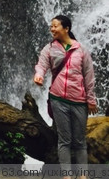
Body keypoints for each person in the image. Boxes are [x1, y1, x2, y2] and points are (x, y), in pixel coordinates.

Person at [34, 15, 97, 174]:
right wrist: (39, 75)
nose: (52, 29)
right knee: (64, 141)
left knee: (80, 142)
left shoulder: (81, 50)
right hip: (58, 100)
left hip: (79, 101)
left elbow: (89, 76)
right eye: (51, 26)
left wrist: (91, 100)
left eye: (55, 26)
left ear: (66, 28)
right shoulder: (49, 48)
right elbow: (42, 64)